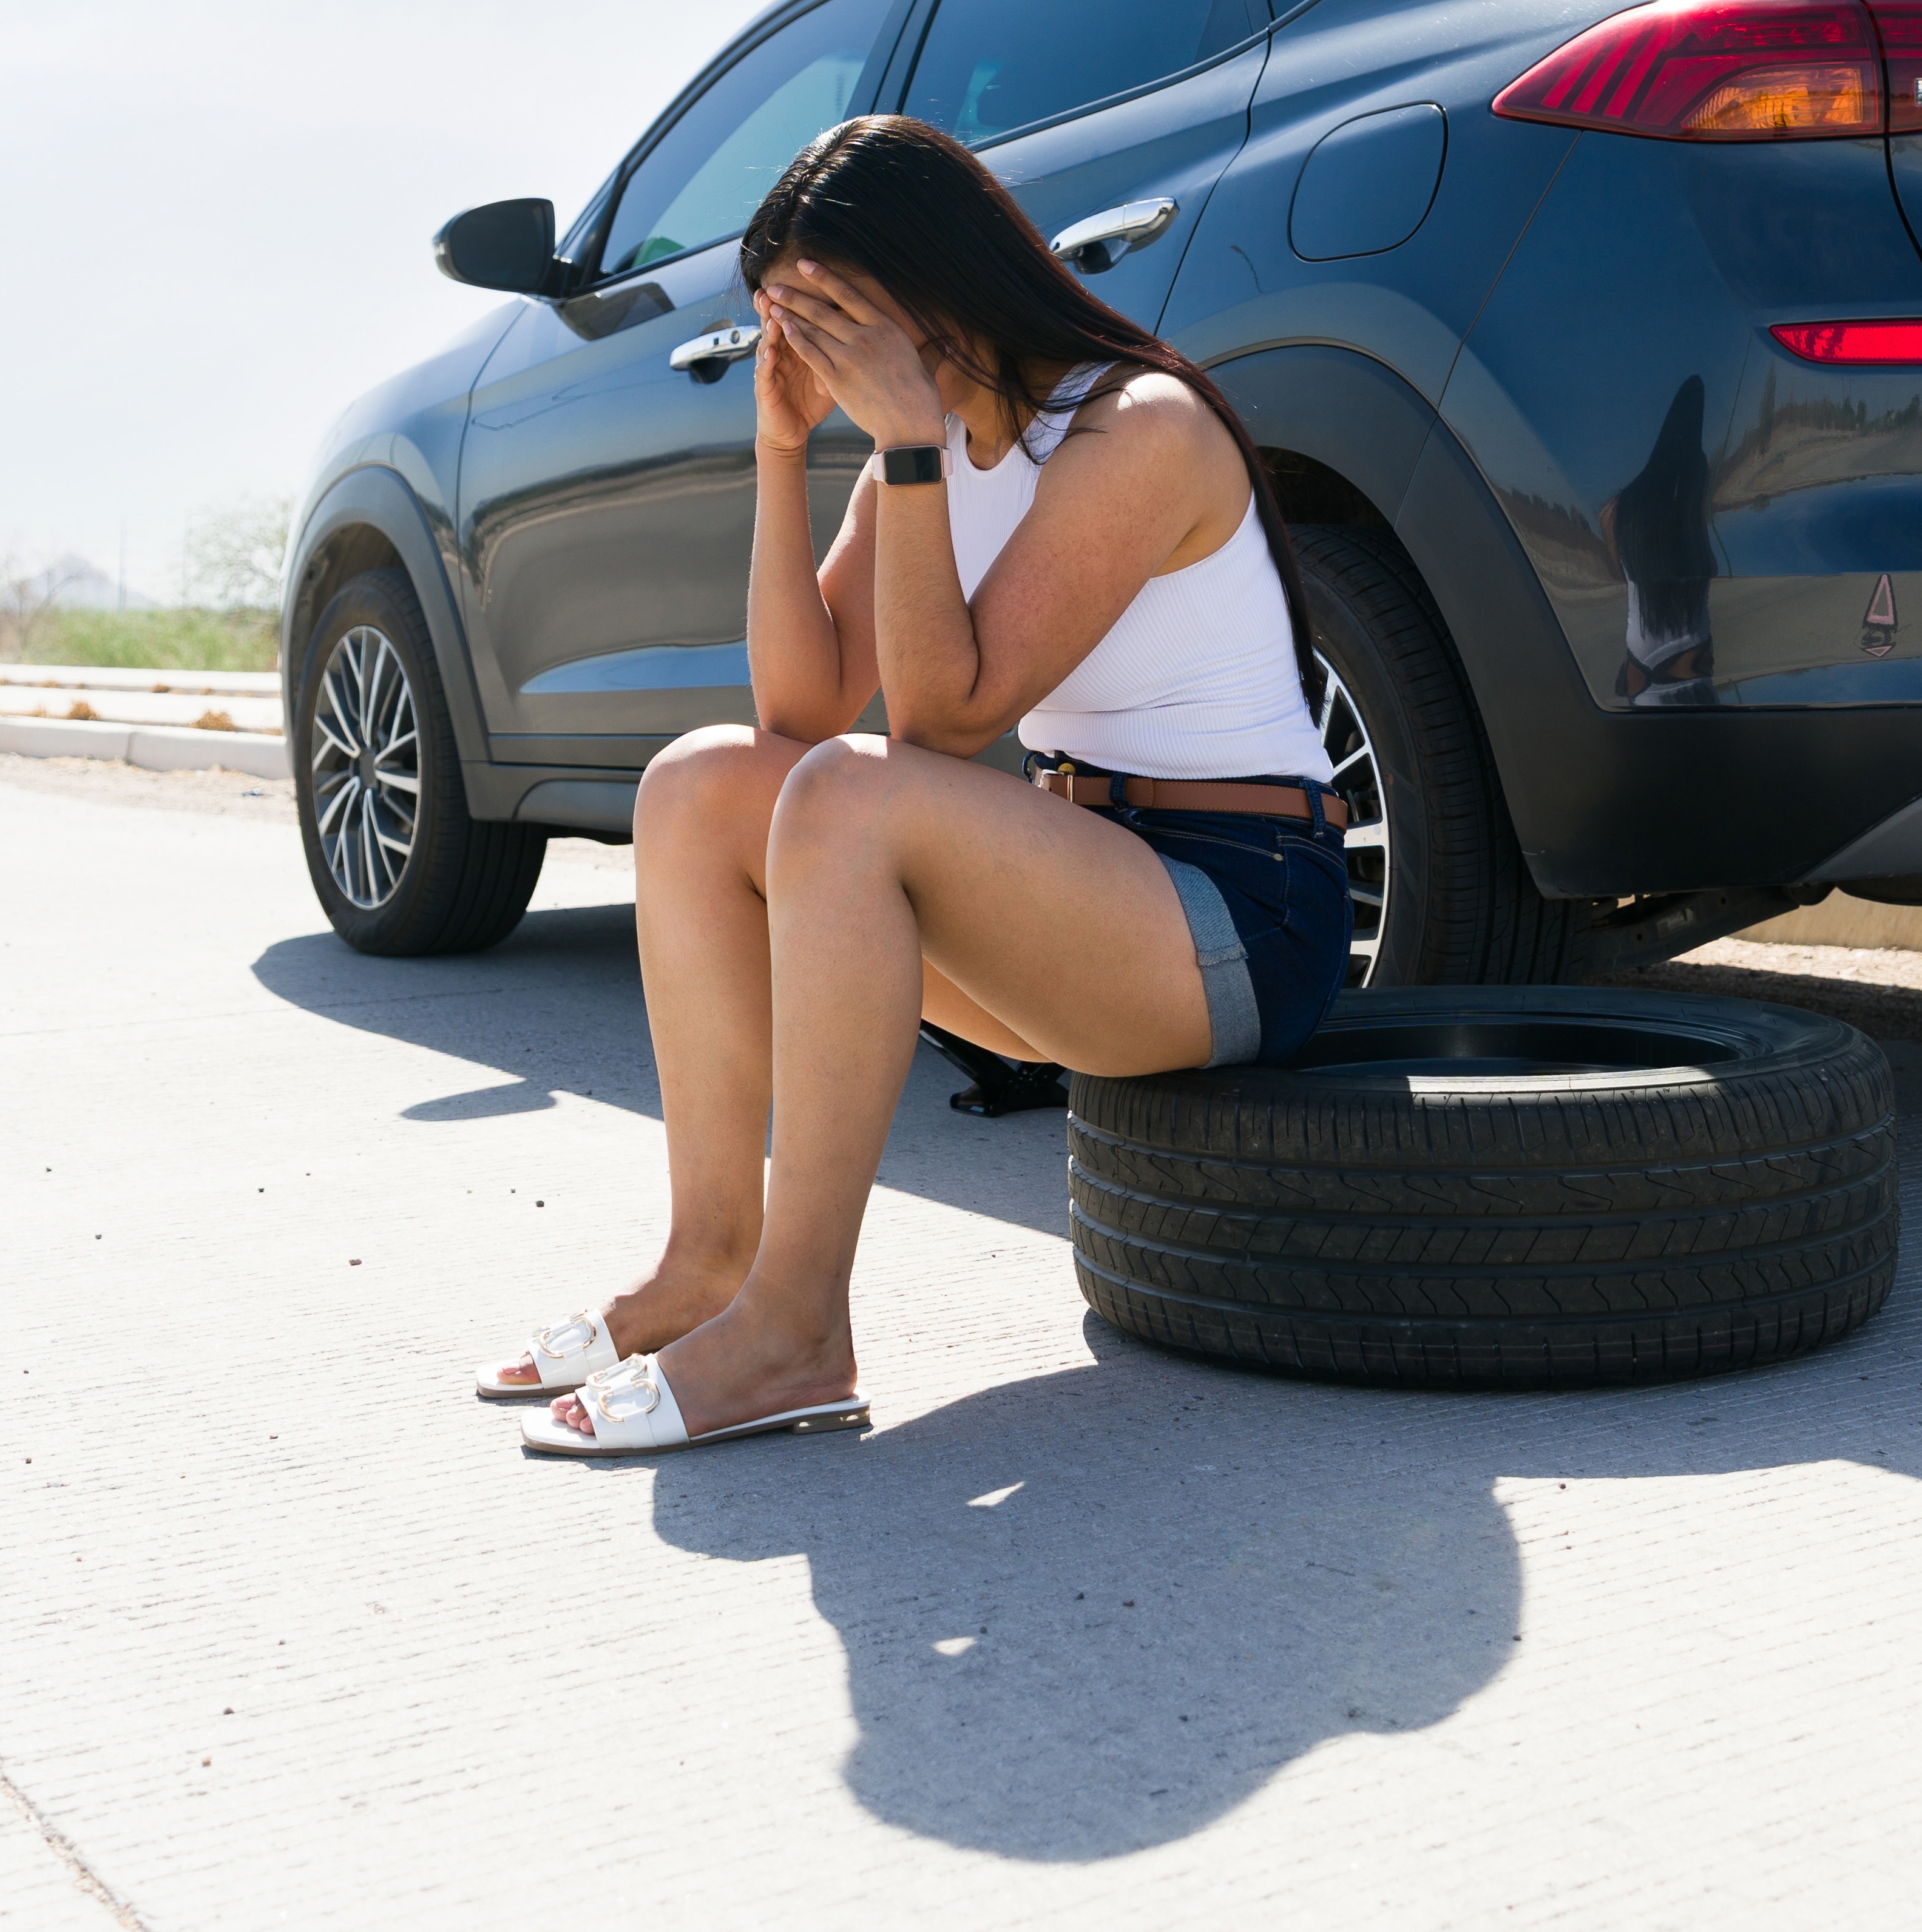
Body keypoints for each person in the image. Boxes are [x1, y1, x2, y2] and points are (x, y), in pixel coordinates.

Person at [480, 116, 1355, 1455]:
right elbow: (796, 705)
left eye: (828, 313)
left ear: (920, 278)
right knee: (698, 781)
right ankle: (711, 1261)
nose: (814, 348)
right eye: (791, 323)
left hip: (1237, 919)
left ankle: (794, 1328)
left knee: (848, 793)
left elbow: (943, 718)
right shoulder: (932, 440)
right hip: (1082, 907)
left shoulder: (1139, 427)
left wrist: (898, 445)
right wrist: (781, 452)